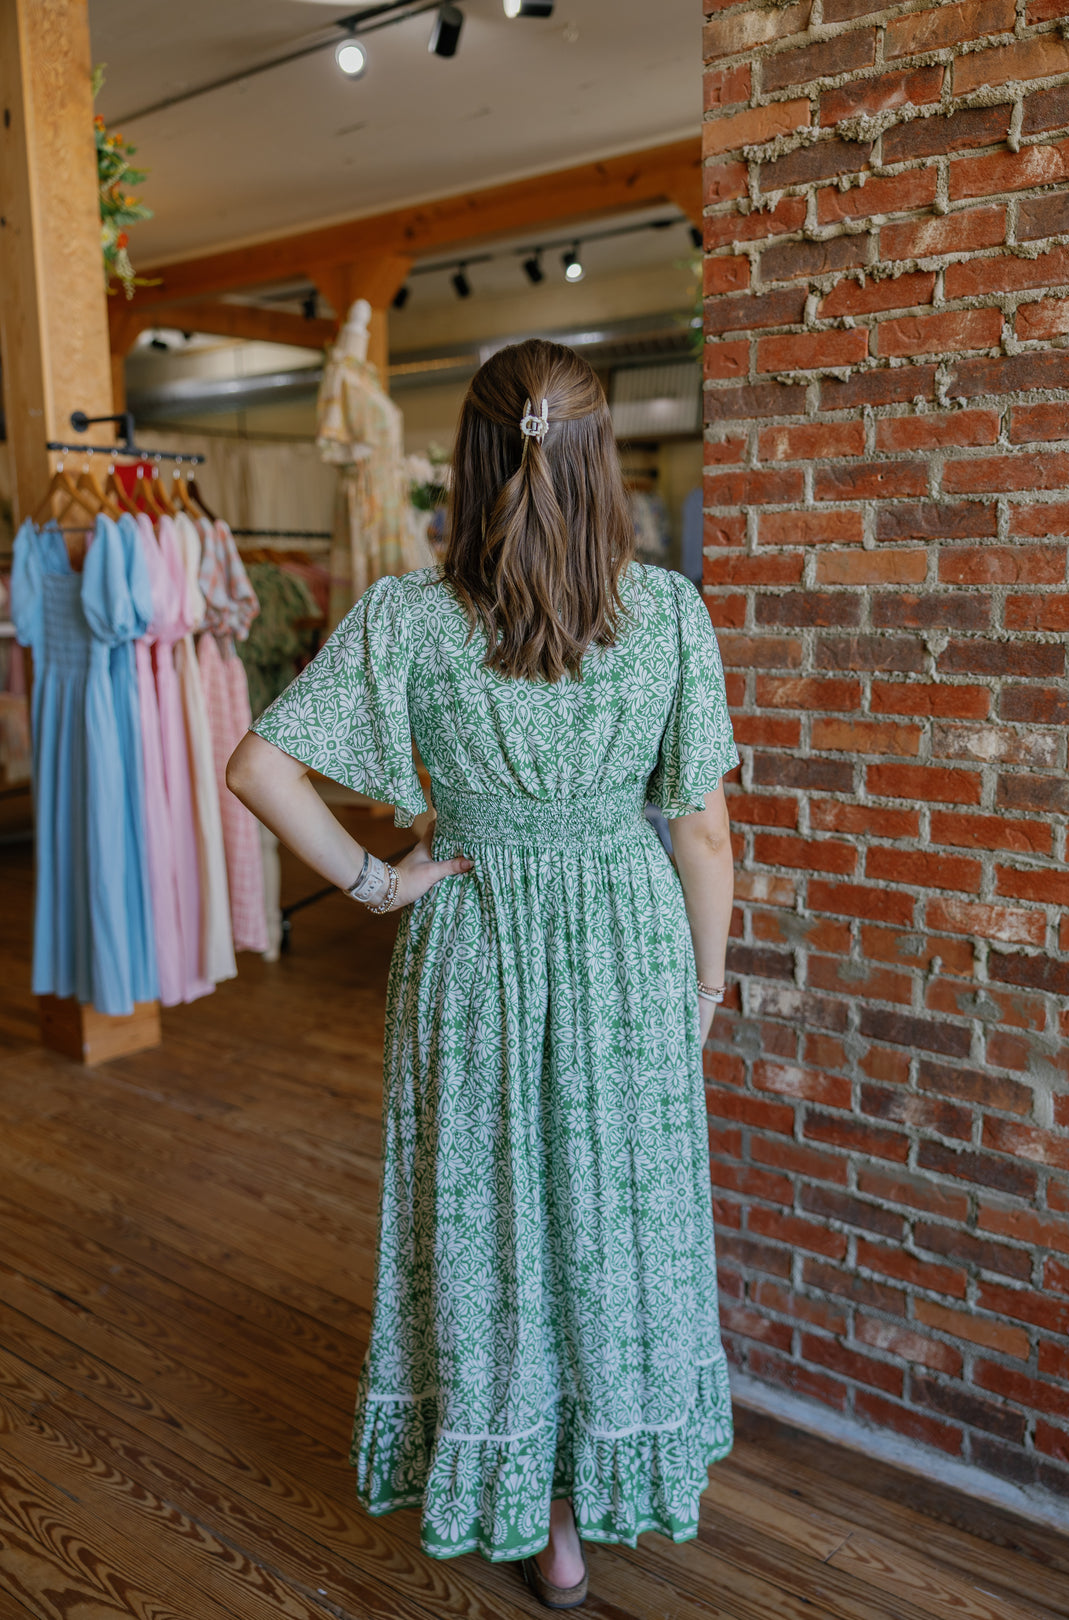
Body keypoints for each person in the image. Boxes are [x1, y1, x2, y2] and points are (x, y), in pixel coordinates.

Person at [227, 338, 738, 1610]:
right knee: (615, 1225)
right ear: (602, 458)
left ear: (469, 455)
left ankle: (537, 1514)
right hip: (629, 951)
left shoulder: (408, 619)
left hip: (476, 942)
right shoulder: (669, 610)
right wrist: (707, 982)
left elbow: (257, 767)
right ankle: (606, 1481)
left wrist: (377, 885)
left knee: (496, 1224)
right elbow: (705, 830)